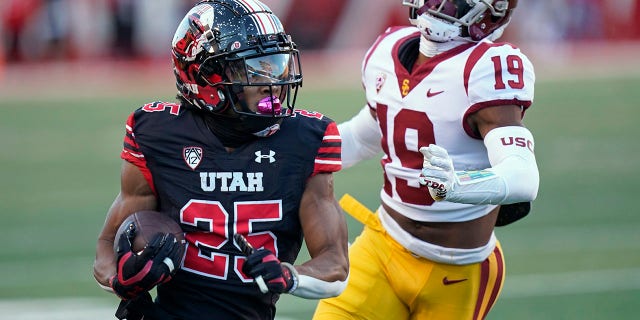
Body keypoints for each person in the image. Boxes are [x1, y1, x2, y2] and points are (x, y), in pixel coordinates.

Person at [92, 1, 349, 319]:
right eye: (254, 68)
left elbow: (335, 264)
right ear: (206, 78)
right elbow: (105, 247)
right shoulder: (158, 134)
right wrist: (123, 280)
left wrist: (288, 276)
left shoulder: (304, 140)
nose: (272, 82)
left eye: (275, 63)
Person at [314, 1, 539, 319]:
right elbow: (364, 136)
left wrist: (458, 185)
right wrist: (297, 157)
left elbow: (523, 177)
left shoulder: (486, 67)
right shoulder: (388, 49)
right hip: (382, 245)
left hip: (458, 269)